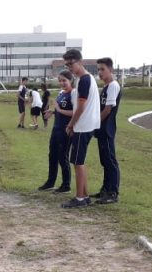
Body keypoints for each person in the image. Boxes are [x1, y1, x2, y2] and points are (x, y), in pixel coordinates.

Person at [61, 49, 100, 208]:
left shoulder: (84, 79)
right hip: (85, 125)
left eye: (71, 63)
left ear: (80, 62)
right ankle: (84, 195)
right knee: (79, 161)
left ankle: (79, 198)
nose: (69, 67)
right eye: (67, 64)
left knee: (78, 162)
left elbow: (81, 107)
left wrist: (71, 124)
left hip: (83, 127)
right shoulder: (84, 79)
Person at [39, 70, 75, 193]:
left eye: (64, 80)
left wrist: (58, 109)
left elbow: (75, 113)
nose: (62, 83)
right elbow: (60, 111)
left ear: (71, 80)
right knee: (52, 155)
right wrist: (53, 112)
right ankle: (50, 182)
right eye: (60, 80)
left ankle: (66, 185)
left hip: (66, 130)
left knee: (62, 157)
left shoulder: (73, 93)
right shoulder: (61, 93)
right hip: (56, 128)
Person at [92, 57, 122, 205]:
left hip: (107, 129)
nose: (100, 72)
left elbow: (108, 110)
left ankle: (113, 192)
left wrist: (95, 122)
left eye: (102, 69)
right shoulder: (106, 86)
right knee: (104, 161)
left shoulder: (113, 86)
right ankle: (105, 189)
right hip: (102, 129)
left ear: (111, 70)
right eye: (98, 69)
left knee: (110, 161)